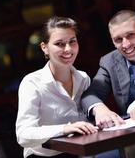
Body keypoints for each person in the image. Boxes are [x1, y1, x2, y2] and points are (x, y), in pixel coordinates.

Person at [81, 10, 135, 158]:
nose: (126, 44)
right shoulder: (109, 62)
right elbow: (91, 94)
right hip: (133, 138)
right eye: (118, 39)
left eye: (130, 35)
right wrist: (100, 110)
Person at [16, 16, 98, 158]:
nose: (68, 49)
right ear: (44, 48)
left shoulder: (83, 78)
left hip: (83, 153)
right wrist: (64, 129)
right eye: (59, 44)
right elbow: (23, 135)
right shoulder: (32, 83)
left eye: (72, 42)